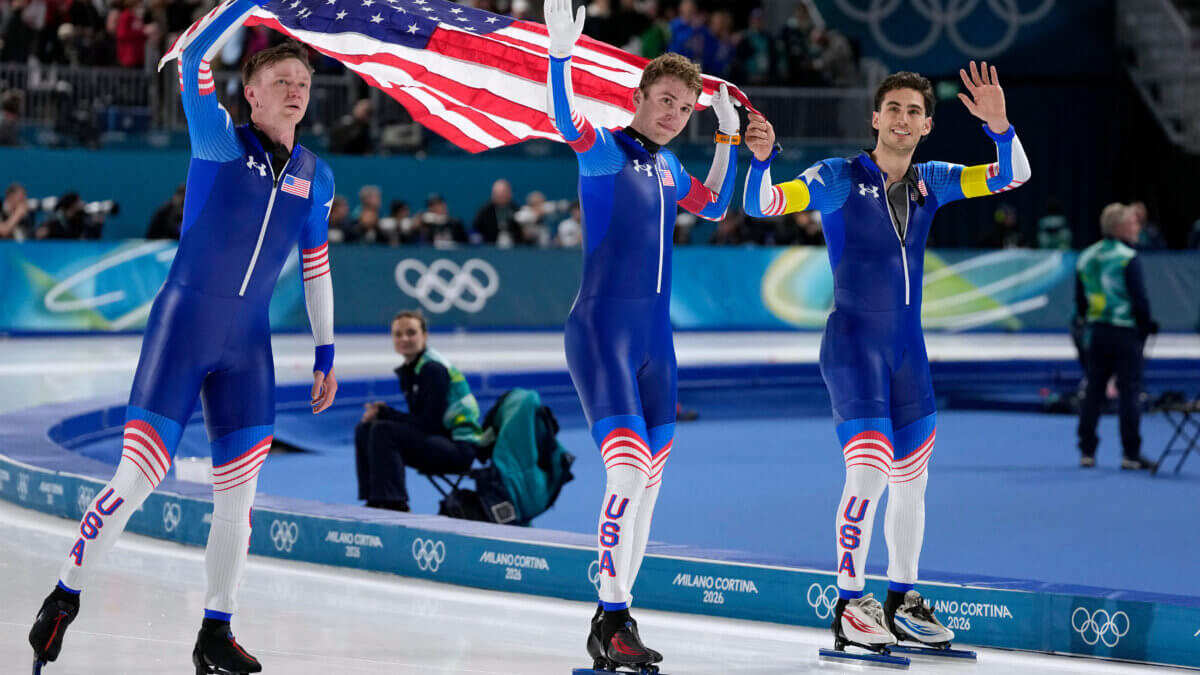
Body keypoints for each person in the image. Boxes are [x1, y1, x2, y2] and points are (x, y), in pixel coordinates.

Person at [27, 9, 338, 672]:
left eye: (303, 81)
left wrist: (326, 350)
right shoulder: (220, 139)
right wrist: (242, 5)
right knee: (138, 477)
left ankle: (215, 631)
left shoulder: (319, 175)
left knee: (240, 498)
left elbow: (317, 266)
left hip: (248, 346)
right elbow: (193, 56)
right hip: (183, 328)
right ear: (250, 92)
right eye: (281, 79)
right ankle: (63, 593)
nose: (295, 89)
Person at [743, 62, 1030, 654]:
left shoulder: (935, 178)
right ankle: (850, 603)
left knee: (913, 482)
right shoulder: (838, 176)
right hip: (853, 347)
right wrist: (763, 161)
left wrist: (1000, 128)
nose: (903, 119)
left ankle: (902, 600)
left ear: (927, 125)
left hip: (908, 351)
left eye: (914, 112)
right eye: (893, 109)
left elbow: (1013, 176)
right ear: (876, 118)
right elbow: (764, 204)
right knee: (869, 472)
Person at [544, 0, 740, 669]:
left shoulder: (666, 168)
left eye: (685, 107)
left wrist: (726, 140)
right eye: (664, 100)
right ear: (639, 97)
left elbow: (713, 205)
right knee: (627, 469)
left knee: (649, 484)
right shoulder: (605, 148)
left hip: (657, 345)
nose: (673, 113)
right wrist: (561, 55)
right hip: (601, 331)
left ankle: (615, 619)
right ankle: (611, 611)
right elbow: (562, 119)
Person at [354, 310, 483, 512]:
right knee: (365, 429)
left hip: (458, 449)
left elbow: (430, 424)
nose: (404, 338)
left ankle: (394, 504)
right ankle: (374, 499)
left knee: (383, 430)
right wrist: (382, 413)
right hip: (440, 439)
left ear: (425, 335)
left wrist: (385, 413)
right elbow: (420, 423)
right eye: (398, 334)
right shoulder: (412, 369)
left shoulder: (432, 369)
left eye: (411, 332)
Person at [1076, 203, 1159, 470]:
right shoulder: (1127, 257)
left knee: (1094, 391)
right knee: (1129, 392)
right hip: (1125, 332)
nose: (1137, 228)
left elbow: (1080, 303)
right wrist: (1145, 326)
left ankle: (1087, 451)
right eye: (1133, 224)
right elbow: (1140, 299)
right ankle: (1130, 454)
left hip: (1097, 332)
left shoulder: (1086, 257)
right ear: (1120, 227)